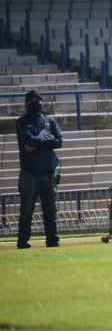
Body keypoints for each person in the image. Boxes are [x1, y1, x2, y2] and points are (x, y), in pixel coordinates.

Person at [15, 89, 63, 249]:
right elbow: (27, 140)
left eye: (37, 100)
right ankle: (22, 241)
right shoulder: (21, 122)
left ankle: (52, 240)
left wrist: (36, 143)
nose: (35, 103)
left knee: (50, 210)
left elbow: (59, 141)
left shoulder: (50, 121)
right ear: (26, 103)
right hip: (29, 173)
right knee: (26, 210)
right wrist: (46, 140)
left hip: (48, 172)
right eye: (31, 101)